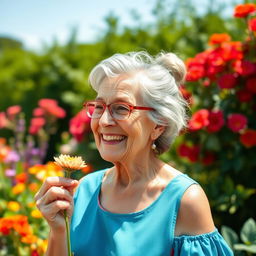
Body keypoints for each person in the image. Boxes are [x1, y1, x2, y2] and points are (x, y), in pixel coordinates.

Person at [35, 51, 234, 255]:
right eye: (99, 107)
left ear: (159, 125)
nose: (104, 121)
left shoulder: (184, 200)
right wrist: (58, 230)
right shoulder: (84, 190)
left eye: (121, 108)